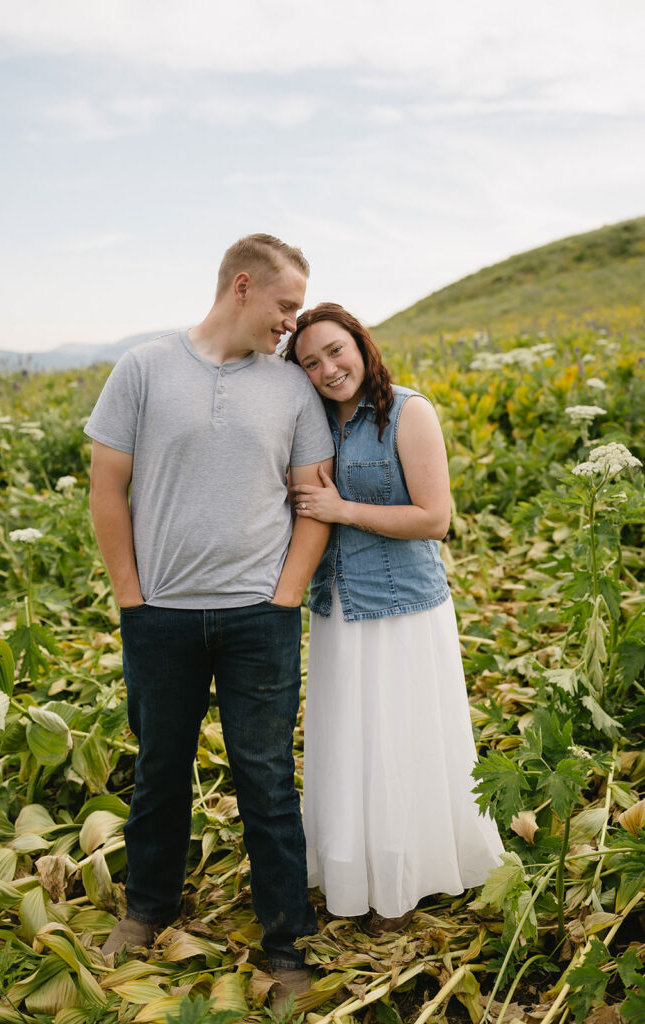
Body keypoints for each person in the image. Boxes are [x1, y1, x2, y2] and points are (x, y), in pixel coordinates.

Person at [85, 235, 334, 1004]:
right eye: (284, 306)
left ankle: (286, 947)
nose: (290, 324)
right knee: (159, 769)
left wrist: (285, 595)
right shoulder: (144, 369)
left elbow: (311, 501)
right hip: (160, 614)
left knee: (264, 780)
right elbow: (106, 490)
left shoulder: (291, 391)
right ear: (241, 286)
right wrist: (131, 597)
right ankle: (147, 911)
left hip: (260, 620)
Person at [286, 303, 503, 935]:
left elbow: (435, 518)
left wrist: (342, 508)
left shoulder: (408, 411)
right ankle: (355, 873)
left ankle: (405, 884)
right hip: (337, 609)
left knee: (400, 741)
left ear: (360, 343)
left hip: (404, 608)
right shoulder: (314, 425)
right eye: (310, 362)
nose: (328, 368)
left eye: (335, 350)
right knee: (349, 742)